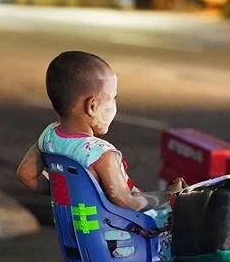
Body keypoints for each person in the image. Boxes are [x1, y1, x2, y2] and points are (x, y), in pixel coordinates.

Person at [17, 50, 185, 208]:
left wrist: (65, 193)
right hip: (115, 228)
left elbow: (26, 175)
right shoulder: (101, 155)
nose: (114, 106)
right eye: (112, 99)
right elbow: (127, 203)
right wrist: (168, 196)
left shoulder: (48, 136)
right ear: (92, 106)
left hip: (73, 224)